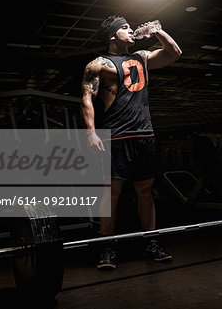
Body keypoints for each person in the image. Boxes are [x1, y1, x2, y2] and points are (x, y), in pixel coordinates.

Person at [80, 16, 182, 269]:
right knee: (111, 195)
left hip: (144, 135)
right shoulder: (98, 64)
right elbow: (86, 99)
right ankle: (106, 248)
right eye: (124, 28)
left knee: (145, 193)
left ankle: (151, 242)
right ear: (113, 36)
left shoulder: (143, 57)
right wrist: (91, 133)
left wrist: (158, 31)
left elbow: (175, 52)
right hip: (116, 136)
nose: (130, 30)